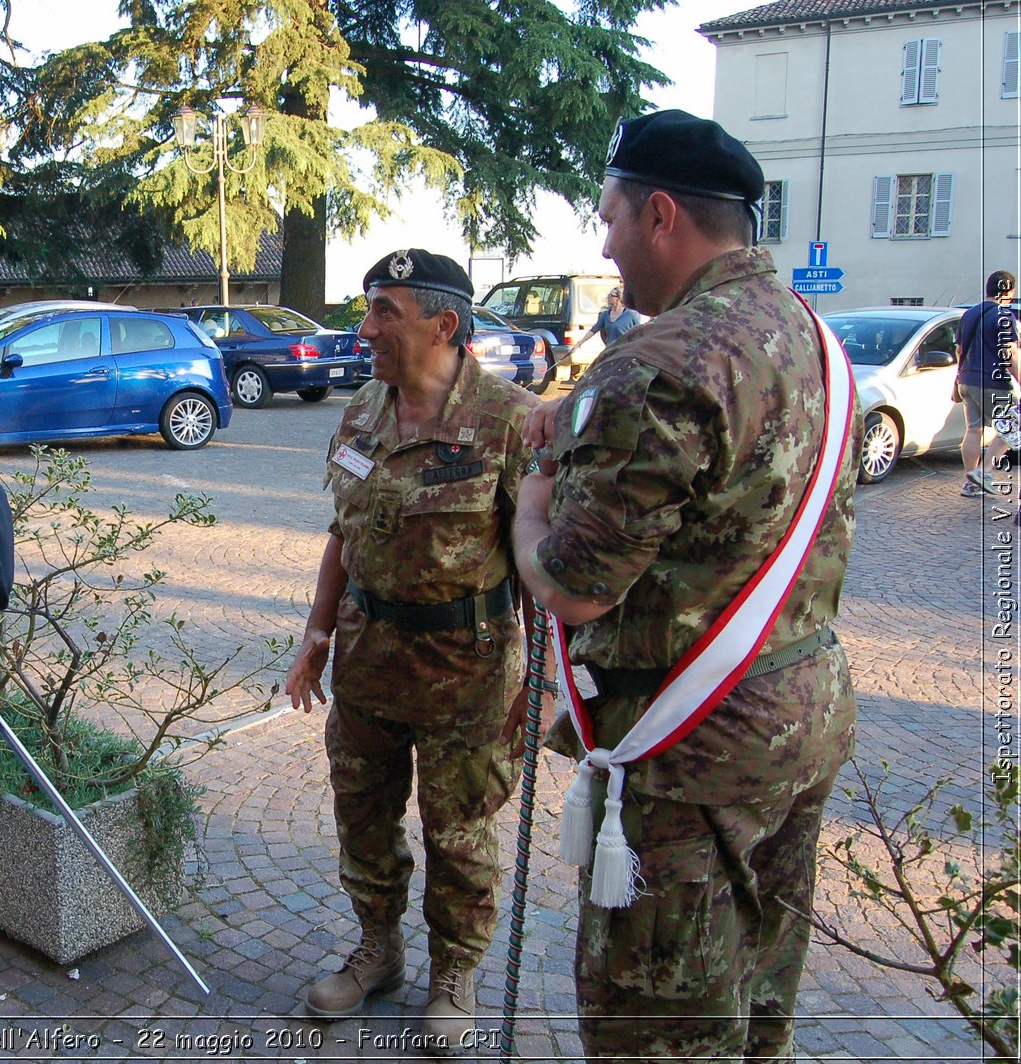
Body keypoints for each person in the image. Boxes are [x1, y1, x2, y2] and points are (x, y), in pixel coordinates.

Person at [511, 110, 861, 1061]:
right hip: (797, 712)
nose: (605, 240)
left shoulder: (658, 365)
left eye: (610, 216)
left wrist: (530, 502)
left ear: (660, 214)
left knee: (657, 1027)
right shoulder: (812, 339)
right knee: (755, 991)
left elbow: (574, 588)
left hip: (689, 748)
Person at [284, 248, 537, 1052]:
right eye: (368, 311)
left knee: (458, 831)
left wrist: (551, 683)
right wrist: (314, 638)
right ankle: (378, 950)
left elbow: (543, 563)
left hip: (470, 673)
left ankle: (454, 973)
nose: (365, 330)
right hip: (367, 660)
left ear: (444, 324)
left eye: (383, 312)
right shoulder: (363, 410)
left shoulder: (510, 421)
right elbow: (342, 535)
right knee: (363, 814)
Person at [954, 270, 1017, 497]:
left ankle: (970, 483)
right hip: (993, 382)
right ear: (1009, 290)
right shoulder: (1003, 315)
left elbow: (959, 350)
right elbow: (1009, 354)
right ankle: (984, 472)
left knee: (974, 429)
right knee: (1013, 427)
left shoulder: (969, 314)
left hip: (967, 380)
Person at [573, 286, 642, 353]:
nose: (608, 297)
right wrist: (579, 343)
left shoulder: (630, 314)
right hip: (610, 351)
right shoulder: (605, 315)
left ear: (619, 298)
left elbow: (640, 332)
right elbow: (593, 330)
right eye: (609, 295)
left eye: (611, 295)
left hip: (624, 351)